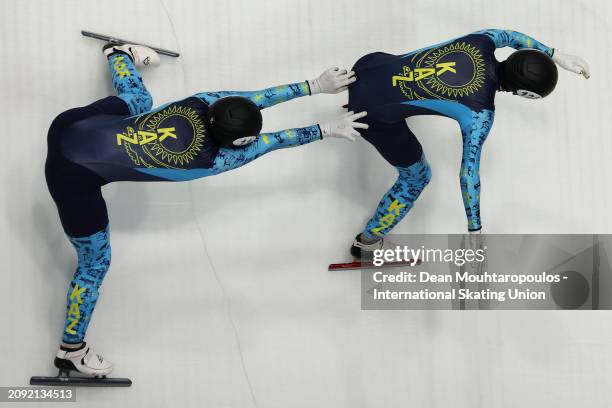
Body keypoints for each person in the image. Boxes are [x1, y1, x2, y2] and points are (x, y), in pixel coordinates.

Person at [45, 43, 368, 377]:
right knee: (94, 264)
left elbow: (255, 97)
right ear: (238, 143)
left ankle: (117, 53)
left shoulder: (203, 101)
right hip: (71, 177)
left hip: (70, 124)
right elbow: (277, 139)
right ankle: (72, 350)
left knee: (140, 103)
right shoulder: (212, 160)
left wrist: (314, 85)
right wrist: (325, 129)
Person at [347, 29, 590, 258]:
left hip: (369, 65)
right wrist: (475, 231)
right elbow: (468, 174)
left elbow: (512, 35)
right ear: (526, 94)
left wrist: (556, 55)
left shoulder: (482, 41)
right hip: (369, 115)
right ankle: (367, 243)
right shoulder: (480, 112)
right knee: (417, 178)